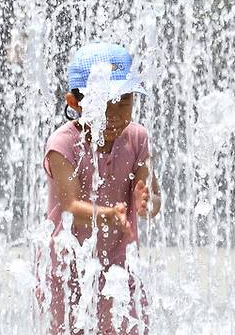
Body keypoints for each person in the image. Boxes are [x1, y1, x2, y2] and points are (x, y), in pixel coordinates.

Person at [41, 42, 161, 334]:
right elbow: (70, 207)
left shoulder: (137, 138)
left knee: (128, 327)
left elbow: (152, 201)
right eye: (104, 102)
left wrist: (148, 200)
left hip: (120, 264)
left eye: (124, 101)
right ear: (74, 102)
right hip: (67, 266)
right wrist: (109, 215)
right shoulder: (63, 145)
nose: (116, 113)